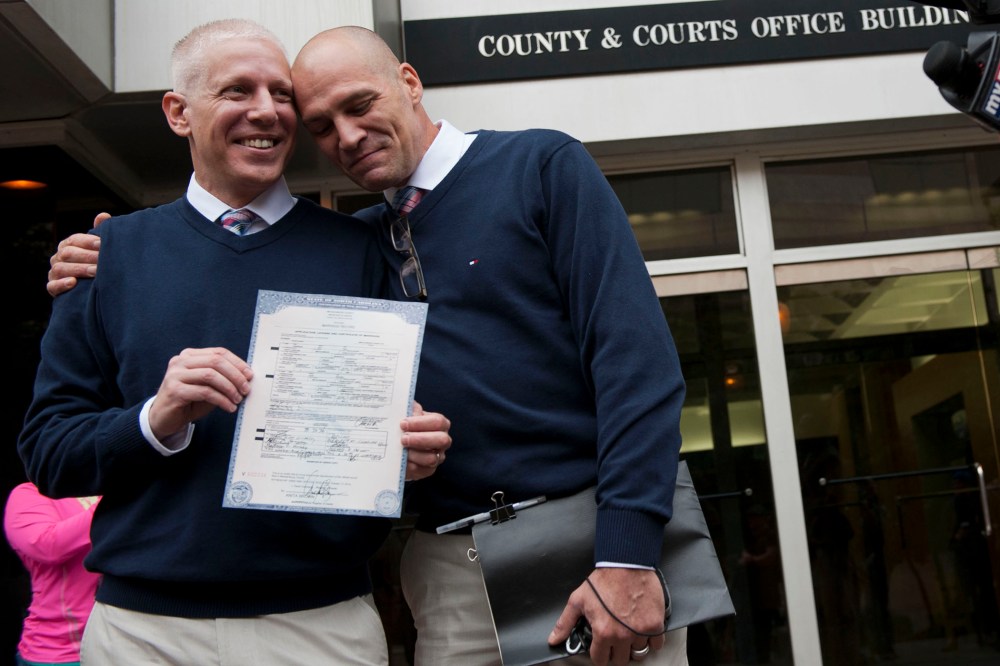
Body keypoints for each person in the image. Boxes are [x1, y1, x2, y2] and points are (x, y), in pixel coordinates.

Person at [48, 25, 687, 666]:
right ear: (179, 113)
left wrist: (628, 551)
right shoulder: (363, 237)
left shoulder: (533, 170)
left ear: (409, 83)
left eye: (359, 106)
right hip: (444, 562)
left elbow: (636, 366)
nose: (346, 137)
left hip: (582, 538)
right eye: (323, 124)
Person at [22, 19, 451, 666]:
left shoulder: (365, 252)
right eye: (236, 91)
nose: (267, 111)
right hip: (143, 631)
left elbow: (410, 426)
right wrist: (154, 419)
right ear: (178, 112)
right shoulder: (107, 257)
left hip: (322, 625)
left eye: (282, 94)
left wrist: (410, 451)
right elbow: (49, 457)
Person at [4, 482, 100, 666]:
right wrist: (117, 504)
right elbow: (47, 545)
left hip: (122, 640)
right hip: (62, 650)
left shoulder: (111, 492)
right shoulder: (30, 493)